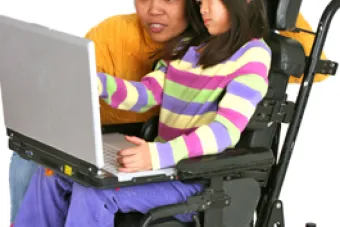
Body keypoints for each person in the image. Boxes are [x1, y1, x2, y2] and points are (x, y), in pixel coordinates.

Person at [9, 0, 329, 224]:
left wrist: (158, 156)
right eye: (200, 0)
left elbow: (224, 132)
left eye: (213, 0)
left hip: (195, 177)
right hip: (161, 167)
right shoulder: (189, 49)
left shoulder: (253, 55)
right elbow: (146, 94)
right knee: (51, 175)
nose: (203, 7)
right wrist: (97, 83)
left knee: (94, 194)